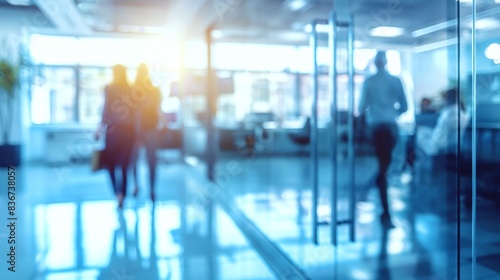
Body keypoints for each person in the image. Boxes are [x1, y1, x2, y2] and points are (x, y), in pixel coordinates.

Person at [358, 51, 408, 228]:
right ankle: (383, 206)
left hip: (377, 126)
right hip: (390, 126)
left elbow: (362, 107)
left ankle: (379, 201)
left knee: (383, 164)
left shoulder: (369, 82)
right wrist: (391, 114)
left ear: (375, 63)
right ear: (385, 62)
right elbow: (404, 106)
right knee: (384, 164)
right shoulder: (395, 81)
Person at [96, 64, 136, 209]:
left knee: (111, 165)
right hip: (129, 132)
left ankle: (117, 193)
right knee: (125, 166)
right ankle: (122, 195)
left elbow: (106, 109)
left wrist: (100, 128)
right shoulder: (131, 89)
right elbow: (135, 113)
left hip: (113, 131)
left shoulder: (109, 88)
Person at [133, 63, 165, 202]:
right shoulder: (155, 90)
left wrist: (137, 133)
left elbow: (135, 114)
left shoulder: (134, 91)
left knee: (133, 160)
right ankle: (151, 190)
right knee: (151, 161)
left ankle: (136, 186)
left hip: (137, 130)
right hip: (151, 129)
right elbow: (159, 109)